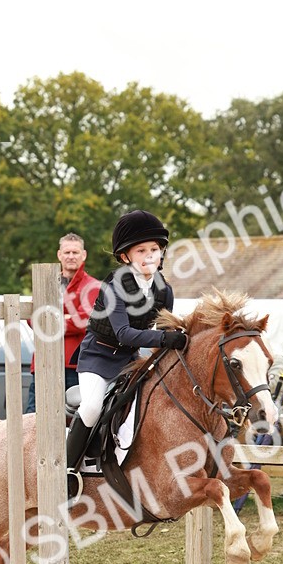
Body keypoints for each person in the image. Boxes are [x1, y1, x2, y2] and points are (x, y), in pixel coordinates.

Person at [65, 210, 185, 497]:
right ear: (125, 257)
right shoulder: (115, 286)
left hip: (130, 360)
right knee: (93, 407)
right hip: (98, 357)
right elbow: (124, 334)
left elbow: (161, 332)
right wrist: (168, 338)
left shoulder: (163, 291)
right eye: (141, 250)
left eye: (154, 249)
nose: (149, 255)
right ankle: (66, 471)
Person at [25, 233, 101, 414]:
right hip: (44, 363)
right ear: (59, 255)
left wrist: (50, 320)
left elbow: (85, 321)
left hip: (75, 367)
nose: (71, 256)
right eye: (67, 252)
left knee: (73, 424)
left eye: (75, 252)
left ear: (84, 255)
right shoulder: (45, 284)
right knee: (33, 418)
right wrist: (66, 319)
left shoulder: (94, 287)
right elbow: (32, 318)